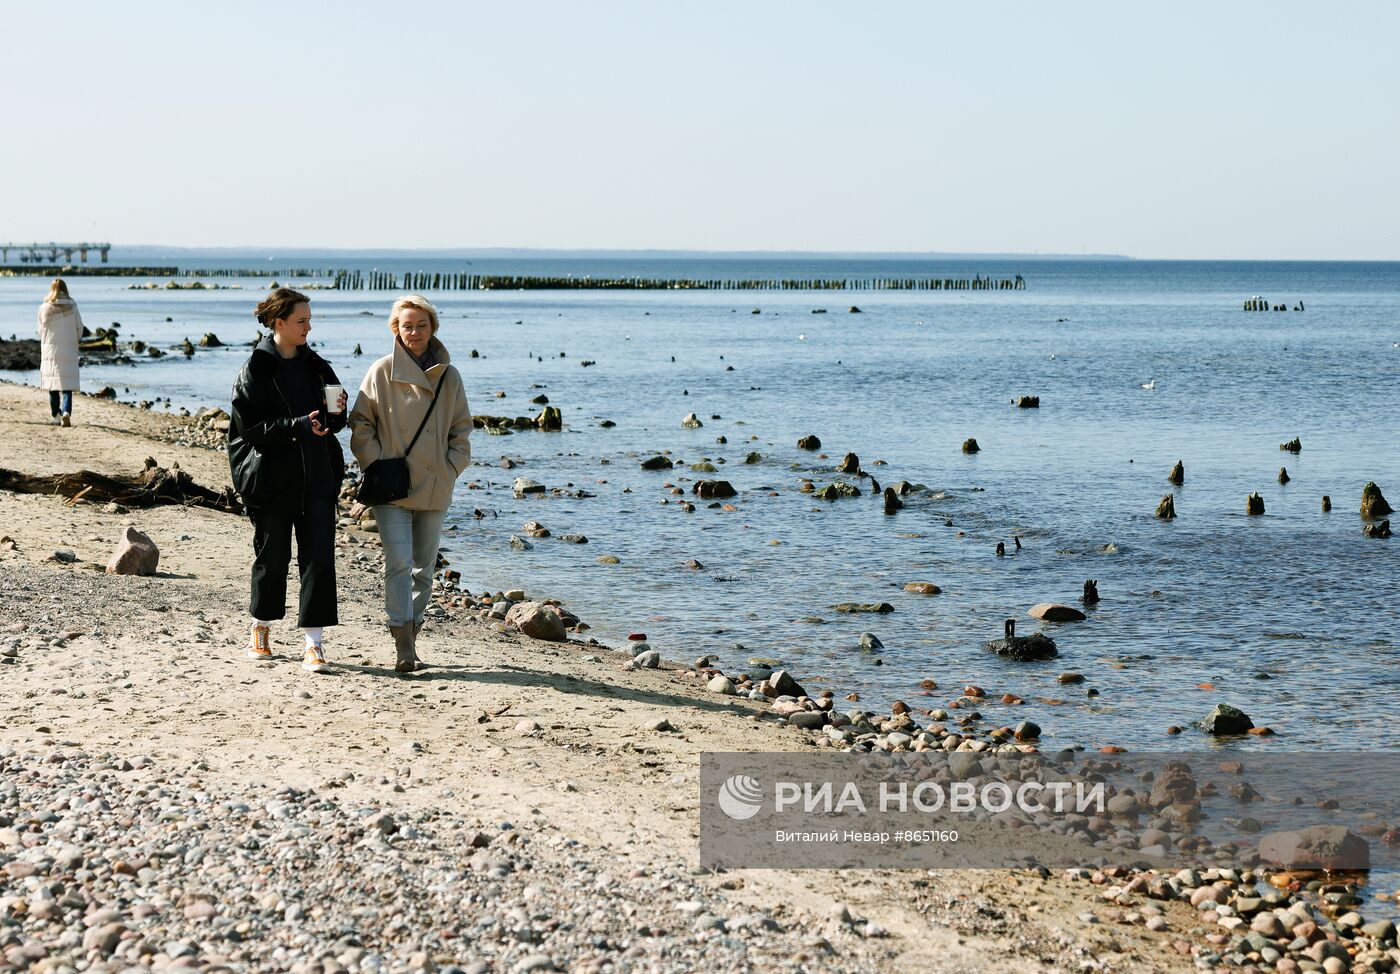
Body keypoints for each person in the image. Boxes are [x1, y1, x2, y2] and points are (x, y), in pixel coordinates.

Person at [227, 288, 349, 673]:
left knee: (318, 560)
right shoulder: (255, 368)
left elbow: (334, 419)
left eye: (310, 320)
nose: (308, 327)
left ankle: (314, 644)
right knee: (272, 558)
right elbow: (251, 429)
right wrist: (297, 427)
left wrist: (339, 412)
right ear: (279, 323)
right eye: (302, 321)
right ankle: (260, 628)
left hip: (316, 476)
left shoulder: (318, 366)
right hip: (270, 480)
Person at [350, 294, 472, 673]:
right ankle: (403, 643)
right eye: (407, 325)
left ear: (432, 328)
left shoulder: (450, 376)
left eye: (421, 325)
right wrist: (377, 463)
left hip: (435, 485)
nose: (414, 332)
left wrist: (451, 467)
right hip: (392, 487)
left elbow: (461, 429)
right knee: (399, 564)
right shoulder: (381, 371)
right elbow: (360, 424)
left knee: (424, 567)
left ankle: (413, 632)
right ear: (396, 330)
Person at [37, 278, 83, 426]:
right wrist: (74, 339)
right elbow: (79, 328)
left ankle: (56, 415)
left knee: (52, 383)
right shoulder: (73, 306)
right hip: (68, 349)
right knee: (67, 384)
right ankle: (66, 412)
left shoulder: (44, 307)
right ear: (65, 289)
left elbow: (40, 330)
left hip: (51, 350)